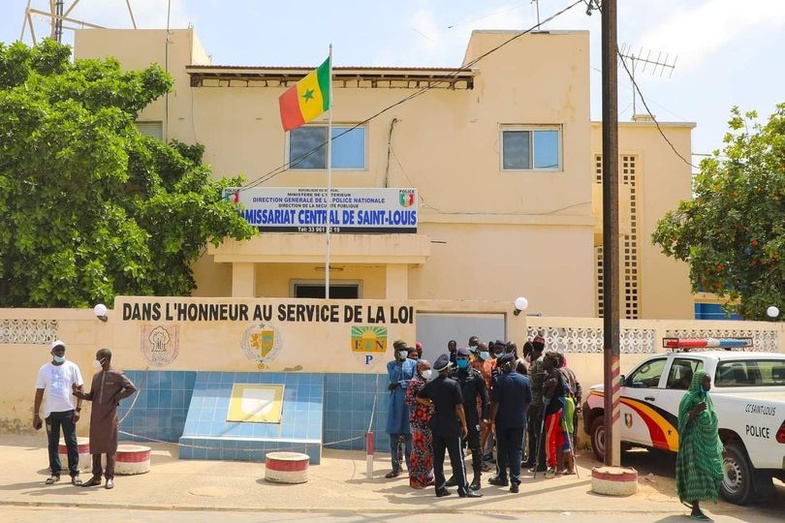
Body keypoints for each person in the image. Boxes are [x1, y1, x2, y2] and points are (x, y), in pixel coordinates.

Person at [416, 354, 481, 498]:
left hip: (437, 425)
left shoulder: (431, 385)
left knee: (438, 459)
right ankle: (463, 489)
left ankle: (440, 489)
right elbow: (459, 407)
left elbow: (419, 397)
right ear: (447, 369)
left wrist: (432, 404)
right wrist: (464, 425)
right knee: (457, 459)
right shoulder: (453, 384)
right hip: (452, 425)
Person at [71, 348, 137, 489]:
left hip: (110, 417)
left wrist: (117, 397)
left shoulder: (117, 375)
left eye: (97, 357)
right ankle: (96, 477)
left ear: (104, 359)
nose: (96, 360)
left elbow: (131, 388)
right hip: (96, 417)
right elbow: (92, 396)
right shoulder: (96, 377)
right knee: (95, 448)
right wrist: (79, 394)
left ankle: (109, 478)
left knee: (110, 448)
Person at [33, 340, 85, 486]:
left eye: (62, 350)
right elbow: (39, 392)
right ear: (52, 352)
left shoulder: (72, 367)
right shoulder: (44, 370)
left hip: (68, 411)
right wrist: (36, 415)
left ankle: (74, 473)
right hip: (51, 413)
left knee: (71, 442)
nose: (60, 353)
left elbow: (80, 388)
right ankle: (55, 473)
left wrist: (78, 409)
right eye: (57, 350)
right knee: (52, 443)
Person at [676, 370, 723, 521]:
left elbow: (712, 418)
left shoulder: (706, 398)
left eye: (709, 381)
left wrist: (718, 441)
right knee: (696, 474)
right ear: (698, 382)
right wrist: (693, 413)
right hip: (693, 443)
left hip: (706, 442)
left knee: (709, 472)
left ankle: (695, 504)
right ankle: (695, 509)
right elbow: (681, 420)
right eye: (706, 381)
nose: (709, 384)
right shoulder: (689, 398)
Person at [447, 346, 489, 490]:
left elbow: (485, 398)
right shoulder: (452, 374)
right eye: (458, 359)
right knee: (456, 447)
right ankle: (456, 475)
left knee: (475, 447)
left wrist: (484, 418)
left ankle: (477, 478)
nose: (460, 361)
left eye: (463, 359)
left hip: (471, 414)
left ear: (469, 359)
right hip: (456, 415)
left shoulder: (476, 375)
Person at [489, 354, 531, 493]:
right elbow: (527, 402)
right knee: (516, 451)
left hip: (502, 421)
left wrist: (492, 420)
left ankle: (502, 477)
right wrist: (521, 414)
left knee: (502, 449)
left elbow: (496, 403)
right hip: (518, 420)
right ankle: (515, 481)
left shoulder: (498, 380)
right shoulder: (525, 380)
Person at [385, 340, 415, 478]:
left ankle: (411, 469)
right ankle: (396, 467)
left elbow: (414, 381)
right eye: (400, 349)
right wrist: (398, 364)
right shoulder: (391, 365)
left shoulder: (413, 364)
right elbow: (392, 379)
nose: (403, 351)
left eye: (405, 349)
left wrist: (400, 383)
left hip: (409, 404)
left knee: (409, 438)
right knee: (394, 438)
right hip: (396, 404)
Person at [404, 359, 434, 489]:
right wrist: (423, 401)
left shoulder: (427, 382)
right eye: (424, 368)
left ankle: (427, 477)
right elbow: (408, 400)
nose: (427, 370)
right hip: (418, 420)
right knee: (418, 450)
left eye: (428, 367)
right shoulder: (414, 382)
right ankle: (415, 479)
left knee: (429, 450)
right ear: (418, 369)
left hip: (430, 420)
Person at [542, 351, 566, 478]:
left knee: (549, 438)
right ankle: (559, 466)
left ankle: (552, 465)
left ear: (551, 362)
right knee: (557, 438)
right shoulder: (551, 373)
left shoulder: (555, 373)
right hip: (555, 409)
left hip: (553, 409)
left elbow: (552, 386)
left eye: (546, 361)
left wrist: (546, 391)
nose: (543, 363)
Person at [523, 336, 546, 471]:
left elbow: (538, 383)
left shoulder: (540, 362)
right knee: (531, 432)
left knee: (538, 433)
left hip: (537, 403)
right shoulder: (534, 361)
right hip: (532, 402)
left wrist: (526, 383)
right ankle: (531, 459)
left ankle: (540, 462)